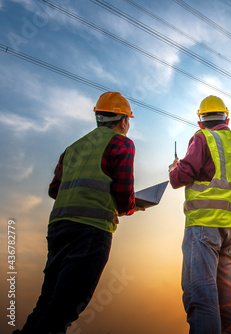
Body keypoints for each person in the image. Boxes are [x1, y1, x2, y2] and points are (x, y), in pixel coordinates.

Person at [14, 92, 141, 334]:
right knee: (64, 308)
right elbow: (125, 197)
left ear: (99, 118)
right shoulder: (122, 143)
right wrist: (133, 206)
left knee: (49, 300)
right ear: (124, 120)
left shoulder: (72, 148)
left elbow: (54, 190)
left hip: (58, 228)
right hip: (91, 231)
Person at [169, 95, 231, 334]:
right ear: (227, 119)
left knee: (201, 296)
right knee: (227, 297)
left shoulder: (202, 138)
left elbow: (180, 177)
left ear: (200, 122)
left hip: (205, 226)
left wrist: (173, 169)